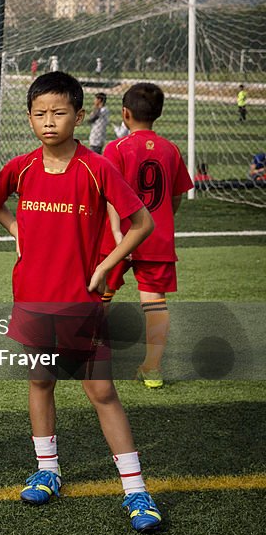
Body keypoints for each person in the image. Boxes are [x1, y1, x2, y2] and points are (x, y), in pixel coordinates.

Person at [0, 71, 163, 533]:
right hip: (32, 301)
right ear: (28, 118)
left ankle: (136, 491)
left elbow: (141, 223)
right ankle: (48, 469)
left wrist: (106, 267)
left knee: (101, 390)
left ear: (79, 116)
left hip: (80, 303)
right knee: (41, 381)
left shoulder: (97, 167)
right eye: (40, 113)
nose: (49, 121)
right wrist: (15, 229)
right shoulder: (21, 168)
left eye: (59, 112)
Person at [99, 83, 194, 389]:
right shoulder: (171, 150)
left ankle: (89, 357)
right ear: (159, 115)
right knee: (155, 301)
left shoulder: (115, 148)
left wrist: (116, 232)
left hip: (120, 235)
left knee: (99, 292)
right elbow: (176, 196)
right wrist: (161, 223)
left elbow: (110, 195)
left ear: (125, 114)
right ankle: (152, 369)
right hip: (156, 238)